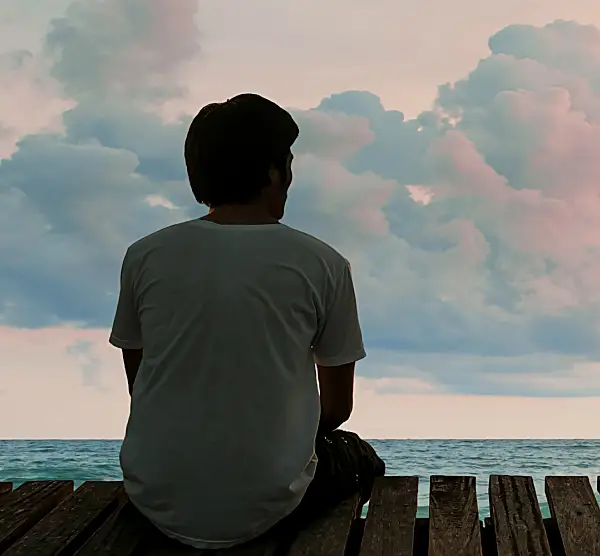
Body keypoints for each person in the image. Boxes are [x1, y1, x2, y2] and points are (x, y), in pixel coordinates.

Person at [109, 93, 385, 550]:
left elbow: (142, 388)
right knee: (357, 454)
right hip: (269, 502)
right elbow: (336, 409)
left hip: (155, 491)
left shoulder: (145, 256)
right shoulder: (323, 263)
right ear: (275, 173)